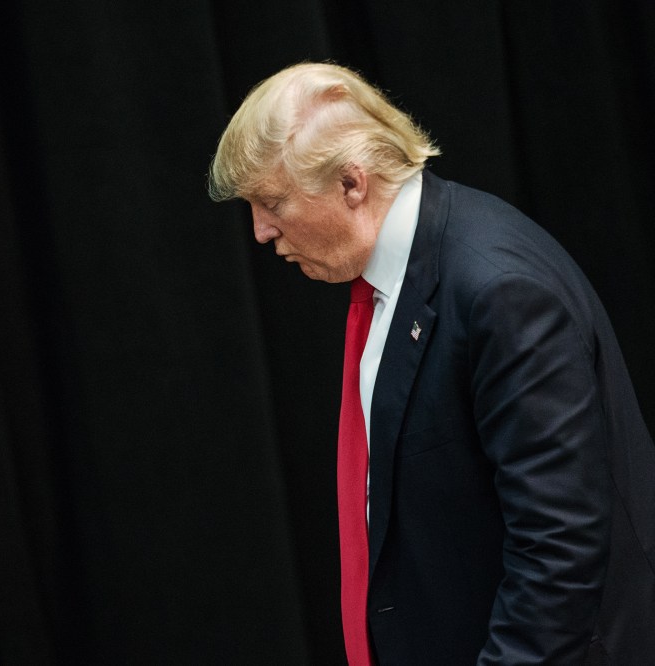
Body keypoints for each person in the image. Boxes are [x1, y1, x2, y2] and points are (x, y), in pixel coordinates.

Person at [208, 62, 655, 664]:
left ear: (351, 183)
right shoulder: (398, 277)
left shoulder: (500, 292)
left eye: (272, 202)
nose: (261, 231)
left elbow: (560, 552)